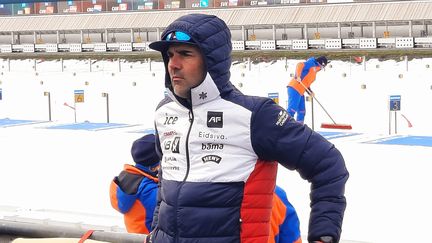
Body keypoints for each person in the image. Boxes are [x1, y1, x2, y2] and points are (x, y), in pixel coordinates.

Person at [148, 13, 348, 243]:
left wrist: (323, 235)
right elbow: (165, 183)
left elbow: (328, 164)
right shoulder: (164, 112)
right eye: (170, 55)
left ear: (212, 60)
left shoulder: (255, 115)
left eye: (185, 54)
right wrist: (155, 232)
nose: (173, 64)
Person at [109, 134, 159, 234]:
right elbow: (169, 211)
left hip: (134, 235)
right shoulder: (149, 189)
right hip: (149, 237)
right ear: (153, 167)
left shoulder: (126, 178)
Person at [287, 56, 328, 124]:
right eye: (323, 66)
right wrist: (298, 76)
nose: (323, 68)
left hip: (301, 91)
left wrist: (310, 92)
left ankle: (299, 128)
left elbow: (306, 83)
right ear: (321, 63)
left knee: (302, 111)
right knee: (292, 110)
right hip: (295, 88)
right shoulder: (311, 63)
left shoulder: (315, 70)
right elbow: (300, 64)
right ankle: (285, 127)